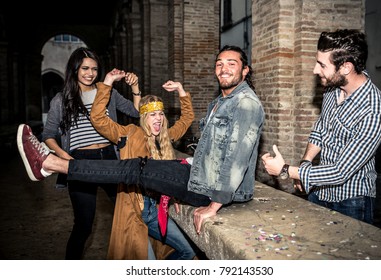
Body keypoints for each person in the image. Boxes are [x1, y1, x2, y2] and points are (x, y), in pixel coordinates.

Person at [17, 45, 265, 234]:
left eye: (231, 64)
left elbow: (235, 158)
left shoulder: (243, 103)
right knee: (105, 205)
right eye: (219, 63)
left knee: (135, 170)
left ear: (245, 70)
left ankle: (50, 165)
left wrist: (213, 206)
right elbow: (100, 120)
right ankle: (53, 163)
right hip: (199, 179)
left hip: (212, 190)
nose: (223, 68)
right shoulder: (219, 103)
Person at [262, 29, 381, 224]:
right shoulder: (332, 89)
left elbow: (341, 171)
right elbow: (321, 130)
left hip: (352, 200)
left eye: (322, 65)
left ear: (346, 67)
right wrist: (305, 164)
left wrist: (286, 170)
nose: (315, 70)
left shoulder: (374, 110)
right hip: (319, 191)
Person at [41, 47, 141, 259]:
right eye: (85, 68)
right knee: (84, 225)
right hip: (80, 161)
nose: (90, 73)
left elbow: (135, 112)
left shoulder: (109, 93)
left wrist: (135, 87)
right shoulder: (61, 99)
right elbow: (48, 135)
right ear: (75, 69)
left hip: (109, 158)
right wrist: (64, 156)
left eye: (94, 69)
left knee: (130, 215)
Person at [90, 70, 195, 260]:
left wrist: (180, 89)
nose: (158, 118)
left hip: (155, 212)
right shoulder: (129, 134)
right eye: (153, 114)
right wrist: (107, 82)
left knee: (188, 251)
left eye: (161, 114)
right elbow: (98, 119)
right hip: (133, 213)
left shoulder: (166, 137)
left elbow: (186, 119)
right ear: (143, 117)